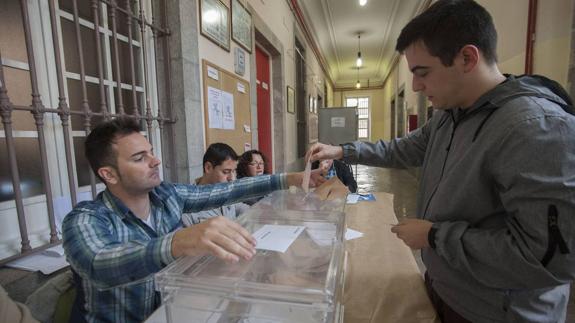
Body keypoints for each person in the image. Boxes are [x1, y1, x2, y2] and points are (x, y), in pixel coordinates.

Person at [306, 1, 575, 322]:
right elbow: (401, 150)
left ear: (467, 58)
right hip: (448, 287)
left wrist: (435, 236)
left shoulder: (534, 128)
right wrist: (341, 151)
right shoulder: (451, 115)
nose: (417, 85)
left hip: (495, 311)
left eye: (423, 73)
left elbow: (549, 259)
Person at [62, 117, 324, 323]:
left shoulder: (166, 195)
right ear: (109, 174)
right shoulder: (85, 219)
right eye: (140, 158)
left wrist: (288, 179)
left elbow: (227, 190)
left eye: (151, 152)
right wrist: (177, 242)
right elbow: (99, 264)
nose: (155, 161)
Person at [182, 143, 249, 225]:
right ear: (208, 168)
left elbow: (243, 208)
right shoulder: (187, 207)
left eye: (234, 171)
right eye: (226, 172)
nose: (232, 178)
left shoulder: (227, 193)